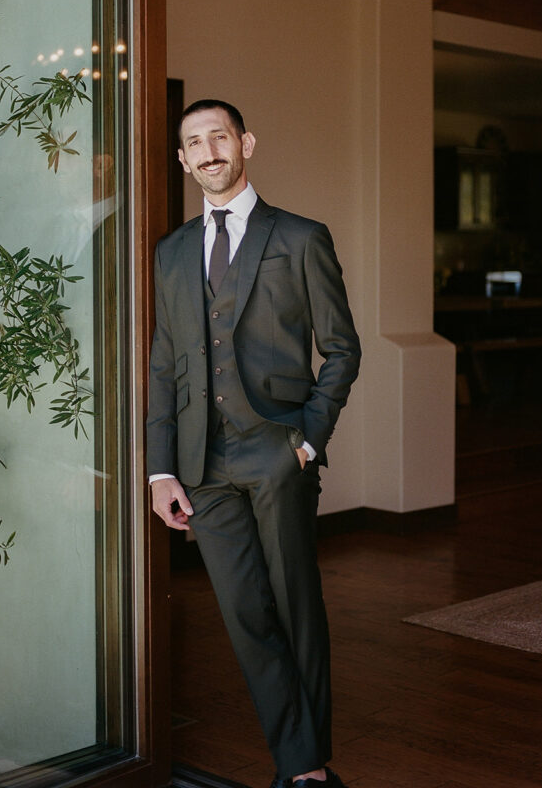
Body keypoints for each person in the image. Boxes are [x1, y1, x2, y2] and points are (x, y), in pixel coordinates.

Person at [147, 99, 361, 788]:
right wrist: (159, 472)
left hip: (276, 453)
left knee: (296, 607)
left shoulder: (299, 237)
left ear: (247, 144)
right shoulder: (172, 251)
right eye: (194, 143)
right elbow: (165, 365)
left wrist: (307, 440)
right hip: (201, 468)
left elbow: (341, 349)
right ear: (182, 160)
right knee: (245, 617)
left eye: (219, 137)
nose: (208, 151)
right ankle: (303, 762)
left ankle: (305, 769)